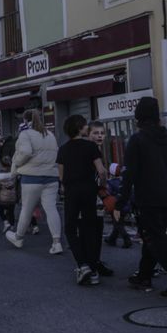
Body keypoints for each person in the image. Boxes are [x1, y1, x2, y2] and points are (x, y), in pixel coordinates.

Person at [114, 96, 167, 300]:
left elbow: (129, 174)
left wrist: (121, 202)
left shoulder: (137, 140)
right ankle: (144, 275)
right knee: (157, 235)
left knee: (154, 237)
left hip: (147, 195)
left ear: (139, 116)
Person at [57, 114, 109, 286]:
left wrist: (65, 188)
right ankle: (93, 270)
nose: (87, 127)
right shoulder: (91, 147)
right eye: (85, 125)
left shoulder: (63, 149)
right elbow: (101, 171)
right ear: (80, 128)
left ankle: (82, 264)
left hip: (72, 192)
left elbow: (61, 176)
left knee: (71, 229)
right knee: (90, 228)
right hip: (89, 191)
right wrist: (102, 184)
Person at [5, 109, 63, 254]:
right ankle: (57, 242)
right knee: (51, 209)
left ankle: (18, 237)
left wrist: (16, 163)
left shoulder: (25, 134)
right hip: (51, 177)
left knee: (27, 209)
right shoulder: (49, 134)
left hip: (31, 178)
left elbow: (25, 152)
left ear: (24, 120)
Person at [0, 156, 19, 234]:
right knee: (11, 212)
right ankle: (12, 227)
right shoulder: (14, 175)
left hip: (2, 198)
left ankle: (6, 223)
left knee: (1, 211)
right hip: (13, 197)